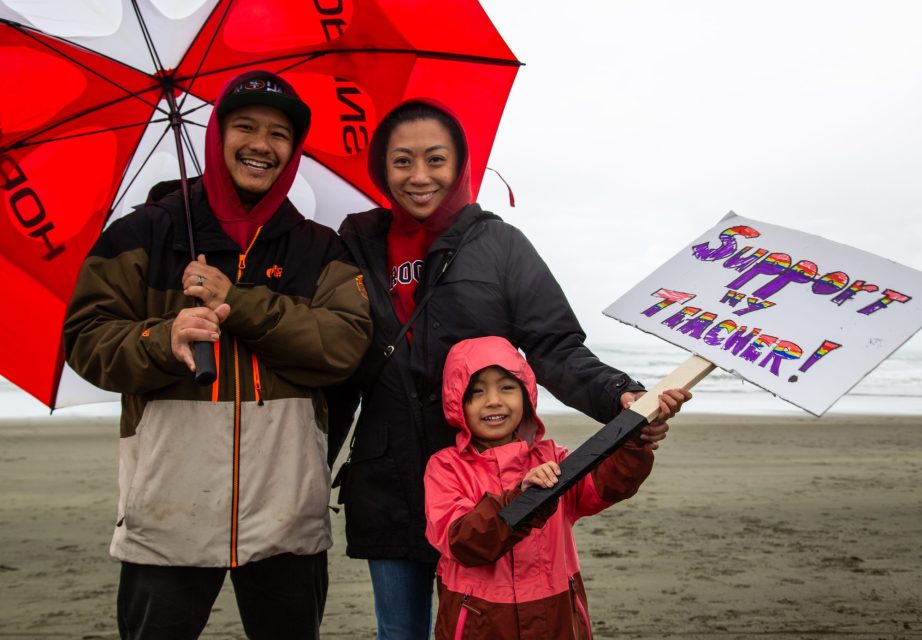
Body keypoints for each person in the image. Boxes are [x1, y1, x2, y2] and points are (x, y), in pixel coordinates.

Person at [334, 100, 691, 639]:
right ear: (382, 169)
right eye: (402, 161)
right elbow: (335, 366)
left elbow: (554, 346)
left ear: (461, 166)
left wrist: (619, 395)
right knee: (399, 632)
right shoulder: (355, 245)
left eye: (436, 159)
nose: (420, 176)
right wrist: (313, 461)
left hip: (491, 480)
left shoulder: (499, 244)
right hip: (389, 479)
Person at [63, 70, 373, 639]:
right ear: (216, 135)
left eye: (279, 134)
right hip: (167, 510)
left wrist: (240, 303)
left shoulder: (320, 248)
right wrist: (162, 339)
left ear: (294, 149)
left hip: (286, 512)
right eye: (245, 127)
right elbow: (85, 338)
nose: (262, 144)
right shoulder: (141, 234)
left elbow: (343, 346)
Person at [425, 336, 676, 639]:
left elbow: (607, 485)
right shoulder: (446, 467)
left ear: (526, 395)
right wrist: (524, 497)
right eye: (476, 391)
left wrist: (635, 438)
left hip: (555, 613)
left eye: (507, 387)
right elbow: (464, 542)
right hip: (480, 619)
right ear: (456, 402)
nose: (493, 400)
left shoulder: (553, 458)